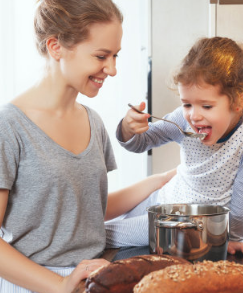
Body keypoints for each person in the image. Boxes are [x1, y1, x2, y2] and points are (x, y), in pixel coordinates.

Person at [0, 1, 175, 292]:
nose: (112, 69)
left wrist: (162, 179)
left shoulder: (93, 121)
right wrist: (60, 285)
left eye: (115, 56)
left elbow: (88, 208)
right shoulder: (9, 126)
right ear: (56, 47)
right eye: (101, 56)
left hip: (91, 278)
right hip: (34, 284)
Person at [111, 37, 243, 256]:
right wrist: (128, 128)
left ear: (238, 101)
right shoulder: (182, 118)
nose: (194, 116)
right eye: (186, 104)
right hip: (161, 201)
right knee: (99, 228)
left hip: (184, 224)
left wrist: (234, 237)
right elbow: (141, 143)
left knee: (101, 235)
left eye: (206, 106)